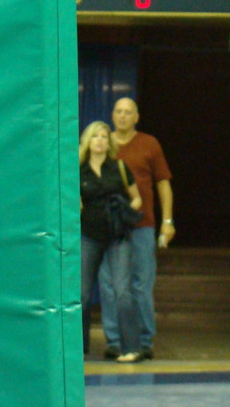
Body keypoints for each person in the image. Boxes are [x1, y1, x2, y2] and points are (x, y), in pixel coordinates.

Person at [98, 97, 174, 360]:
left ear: (136, 117)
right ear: (111, 115)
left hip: (142, 225)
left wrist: (167, 221)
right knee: (109, 284)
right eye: (118, 111)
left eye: (128, 112)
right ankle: (115, 341)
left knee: (141, 284)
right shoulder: (101, 143)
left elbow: (163, 183)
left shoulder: (149, 144)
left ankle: (144, 340)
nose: (122, 116)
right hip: (108, 228)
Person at [78, 120, 143, 364]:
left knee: (122, 291)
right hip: (89, 235)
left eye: (104, 136)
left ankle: (132, 348)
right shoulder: (77, 170)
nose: (100, 140)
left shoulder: (119, 167)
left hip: (117, 236)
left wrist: (127, 211)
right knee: (82, 294)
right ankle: (78, 348)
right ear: (88, 141)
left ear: (109, 142)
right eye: (96, 136)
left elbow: (137, 198)